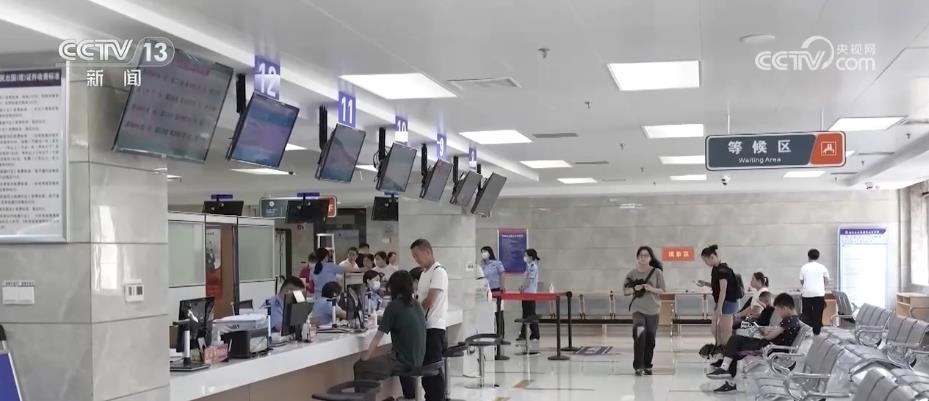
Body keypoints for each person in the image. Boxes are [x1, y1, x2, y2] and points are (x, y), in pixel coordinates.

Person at [707, 293, 802, 393]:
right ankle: (727, 372)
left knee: (735, 346)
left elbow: (769, 336)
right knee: (735, 341)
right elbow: (777, 332)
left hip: (768, 349)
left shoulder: (789, 320)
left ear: (785, 308)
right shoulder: (793, 320)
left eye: (778, 310)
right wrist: (766, 331)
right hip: (769, 346)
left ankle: (728, 376)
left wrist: (764, 333)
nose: (778, 313)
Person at [353, 271, 426, 400]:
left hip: (403, 361)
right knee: (370, 367)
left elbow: (378, 336)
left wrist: (366, 356)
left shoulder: (394, 306)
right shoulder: (417, 304)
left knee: (361, 366)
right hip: (418, 359)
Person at [410, 239, 448, 401]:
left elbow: (430, 300)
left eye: (417, 255)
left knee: (432, 369)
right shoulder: (424, 273)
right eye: (413, 256)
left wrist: (413, 315)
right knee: (426, 371)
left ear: (427, 251)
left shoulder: (438, 272)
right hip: (424, 327)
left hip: (434, 327)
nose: (416, 259)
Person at [623, 246, 666, 376]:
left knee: (650, 339)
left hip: (653, 310)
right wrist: (634, 289)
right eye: (641, 255)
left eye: (646, 255)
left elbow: (663, 290)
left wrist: (650, 288)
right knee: (639, 332)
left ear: (650, 258)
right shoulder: (632, 274)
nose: (643, 258)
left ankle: (647, 364)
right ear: (637, 258)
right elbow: (625, 291)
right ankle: (638, 366)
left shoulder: (657, 272)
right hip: (638, 310)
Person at [698, 245, 739, 362]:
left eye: (705, 260)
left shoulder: (723, 270)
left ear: (712, 257)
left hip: (728, 303)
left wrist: (719, 307)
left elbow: (723, 290)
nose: (705, 263)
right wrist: (705, 283)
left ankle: (727, 360)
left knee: (725, 333)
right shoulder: (716, 269)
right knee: (715, 329)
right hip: (721, 302)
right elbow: (717, 287)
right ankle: (721, 354)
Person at [800, 249, 830, 335]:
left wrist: (807, 286)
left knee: (806, 314)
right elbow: (827, 280)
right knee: (818, 314)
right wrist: (822, 287)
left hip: (806, 294)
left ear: (808, 256)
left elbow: (801, 281)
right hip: (819, 293)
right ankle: (817, 333)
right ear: (818, 257)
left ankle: (807, 333)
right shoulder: (822, 267)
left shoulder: (804, 267)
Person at [480, 246, 507, 338]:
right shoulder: (481, 264)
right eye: (482, 252)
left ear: (489, 252)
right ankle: (489, 333)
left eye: (485, 251)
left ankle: (501, 334)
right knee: (487, 313)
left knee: (498, 313)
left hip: (496, 289)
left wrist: (502, 285)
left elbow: (502, 273)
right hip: (486, 291)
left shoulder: (497, 263)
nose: (483, 254)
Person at [517, 249, 541, 344]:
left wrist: (523, 287)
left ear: (530, 257)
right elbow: (525, 279)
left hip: (530, 293)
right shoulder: (528, 266)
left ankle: (535, 334)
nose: (525, 257)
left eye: (526, 255)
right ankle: (523, 334)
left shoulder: (533, 267)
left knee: (531, 314)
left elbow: (530, 280)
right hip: (525, 293)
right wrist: (521, 287)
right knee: (525, 314)